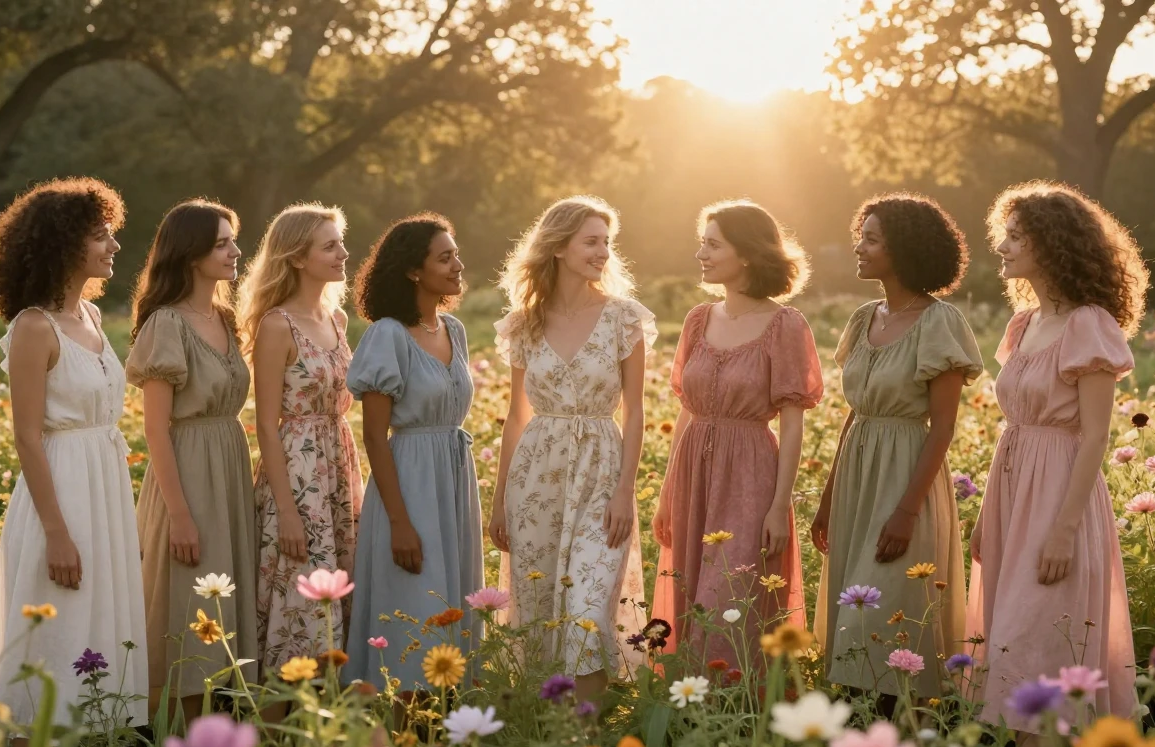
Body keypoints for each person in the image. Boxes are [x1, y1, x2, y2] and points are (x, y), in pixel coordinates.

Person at [0, 178, 148, 747]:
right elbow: (26, 436)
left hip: (102, 490)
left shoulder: (94, 315)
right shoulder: (33, 327)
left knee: (90, 645)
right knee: (50, 650)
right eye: (101, 236)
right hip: (60, 496)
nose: (113, 246)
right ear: (65, 243)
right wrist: (56, 532)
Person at [968, 181, 1146, 734]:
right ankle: (1026, 745)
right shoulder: (1023, 324)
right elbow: (1016, 421)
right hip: (1013, 485)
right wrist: (985, 514)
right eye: (1005, 234)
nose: (1003, 246)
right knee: (1008, 630)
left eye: (1016, 237)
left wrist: (1065, 529)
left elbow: (1095, 436)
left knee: (1041, 628)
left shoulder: (1088, 324)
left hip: (1060, 495)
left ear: (1052, 244)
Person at [811, 193, 983, 699]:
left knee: (886, 614)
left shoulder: (940, 322)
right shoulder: (865, 317)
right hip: (856, 480)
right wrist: (827, 498)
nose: (858, 247)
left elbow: (943, 427)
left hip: (906, 478)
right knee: (852, 617)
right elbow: (855, 412)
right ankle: (855, 731)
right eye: (860, 235)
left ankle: (904, 729)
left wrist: (908, 510)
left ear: (903, 248)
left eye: (871, 238)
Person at [489, 196, 654, 700]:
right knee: (539, 608)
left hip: (603, 471)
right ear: (558, 247)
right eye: (591, 241)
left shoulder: (623, 318)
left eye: (607, 242)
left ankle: (586, 736)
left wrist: (625, 492)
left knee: (587, 608)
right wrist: (498, 501)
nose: (603, 252)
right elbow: (517, 417)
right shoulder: (525, 323)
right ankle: (552, 734)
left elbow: (635, 411)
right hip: (537, 475)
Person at [651, 200, 822, 667]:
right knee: (689, 585)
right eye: (701, 244)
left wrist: (779, 504)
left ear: (745, 253)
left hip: (749, 473)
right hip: (693, 470)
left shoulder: (785, 324)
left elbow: (792, 422)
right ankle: (687, 704)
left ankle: (739, 707)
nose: (701, 255)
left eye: (712, 244)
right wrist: (668, 491)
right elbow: (687, 409)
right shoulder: (698, 320)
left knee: (733, 590)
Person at [125, 200, 256, 721]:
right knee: (187, 612)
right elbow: (155, 427)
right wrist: (180, 514)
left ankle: (215, 737)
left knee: (222, 617)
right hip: (186, 476)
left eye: (233, 240)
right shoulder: (166, 324)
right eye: (222, 243)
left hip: (228, 471)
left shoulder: (226, 318)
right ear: (191, 251)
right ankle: (175, 742)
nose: (234, 251)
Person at [342, 213, 483, 694]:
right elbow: (375, 437)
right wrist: (400, 522)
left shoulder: (455, 330)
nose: (458, 265)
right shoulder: (387, 334)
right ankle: (401, 733)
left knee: (453, 609)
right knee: (414, 612)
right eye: (445, 258)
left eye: (456, 253)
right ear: (413, 271)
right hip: (409, 485)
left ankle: (450, 734)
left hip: (455, 479)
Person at [238, 204, 363, 674]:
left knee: (338, 600)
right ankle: (271, 734)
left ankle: (323, 730)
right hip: (297, 474)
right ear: (296, 257)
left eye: (340, 243)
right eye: (329, 246)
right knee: (297, 601)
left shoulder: (337, 320)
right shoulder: (277, 325)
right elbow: (266, 424)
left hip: (339, 466)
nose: (342, 253)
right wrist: (287, 512)